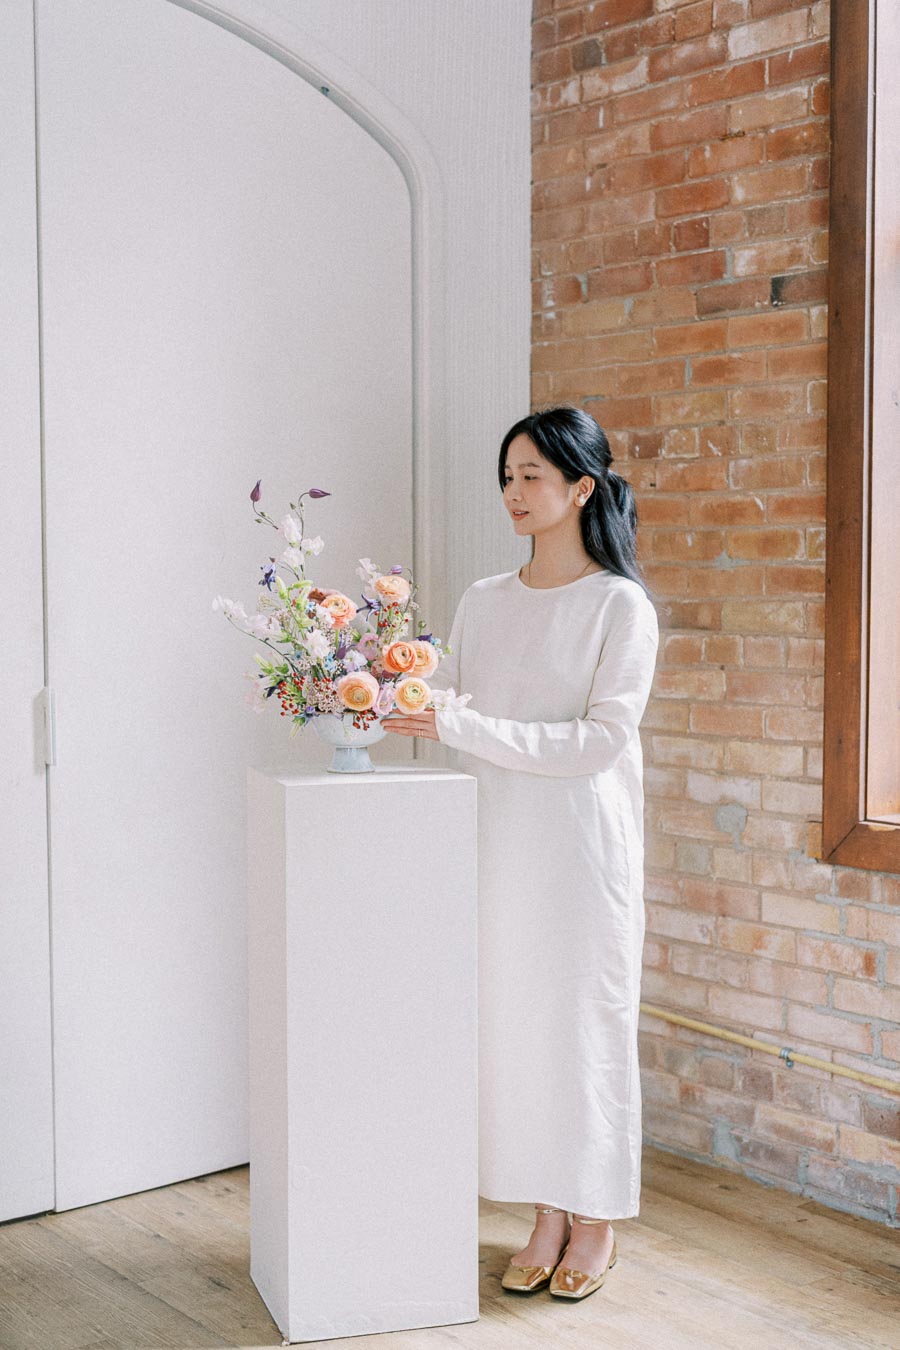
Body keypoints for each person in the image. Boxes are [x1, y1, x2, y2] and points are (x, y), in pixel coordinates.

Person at [382, 405, 659, 1302]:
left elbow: (596, 744)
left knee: (584, 1028)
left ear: (583, 487)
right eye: (508, 476)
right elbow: (451, 711)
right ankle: (544, 1210)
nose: (514, 492)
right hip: (496, 844)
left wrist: (460, 719)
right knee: (515, 1028)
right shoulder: (483, 599)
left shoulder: (620, 606)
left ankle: (597, 1216)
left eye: (532, 474)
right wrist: (400, 690)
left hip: (582, 855)